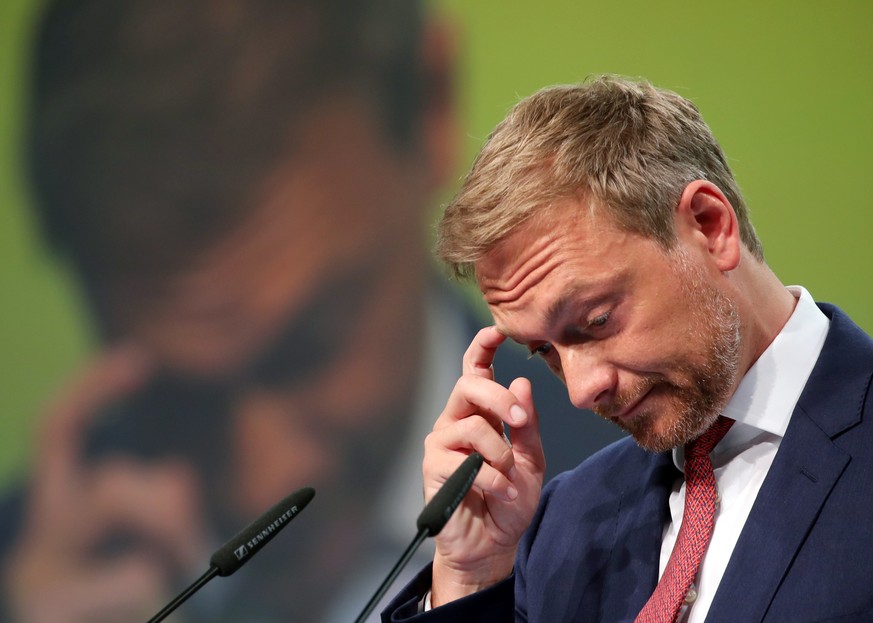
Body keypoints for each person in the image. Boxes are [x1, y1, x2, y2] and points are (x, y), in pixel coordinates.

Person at [0, 2, 624, 622]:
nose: (262, 481)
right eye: (181, 391)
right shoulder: (20, 584)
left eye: (313, 347)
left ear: (429, 106)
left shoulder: (655, 516)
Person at [381, 74, 873, 622]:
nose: (582, 390)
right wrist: (470, 573)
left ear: (710, 227)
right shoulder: (566, 522)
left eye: (596, 320)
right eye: (544, 350)